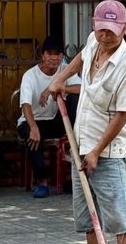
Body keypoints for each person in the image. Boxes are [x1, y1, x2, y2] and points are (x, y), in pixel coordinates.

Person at [40, 0, 126, 244]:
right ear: (94, 25)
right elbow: (79, 59)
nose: (106, 36)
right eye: (101, 30)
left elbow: (122, 115)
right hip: (81, 147)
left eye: (112, 32)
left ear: (124, 29)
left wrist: (97, 151)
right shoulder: (94, 42)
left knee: (120, 223)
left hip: (108, 153)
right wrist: (60, 79)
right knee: (90, 221)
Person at [17, 35, 81, 198]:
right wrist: (33, 127)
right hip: (31, 120)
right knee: (33, 139)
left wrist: (60, 88)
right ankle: (42, 181)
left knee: (75, 97)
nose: (53, 58)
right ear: (42, 55)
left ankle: (72, 178)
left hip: (54, 121)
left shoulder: (64, 71)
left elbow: (83, 88)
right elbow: (25, 105)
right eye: (50, 53)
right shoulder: (30, 75)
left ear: (62, 57)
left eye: (58, 54)